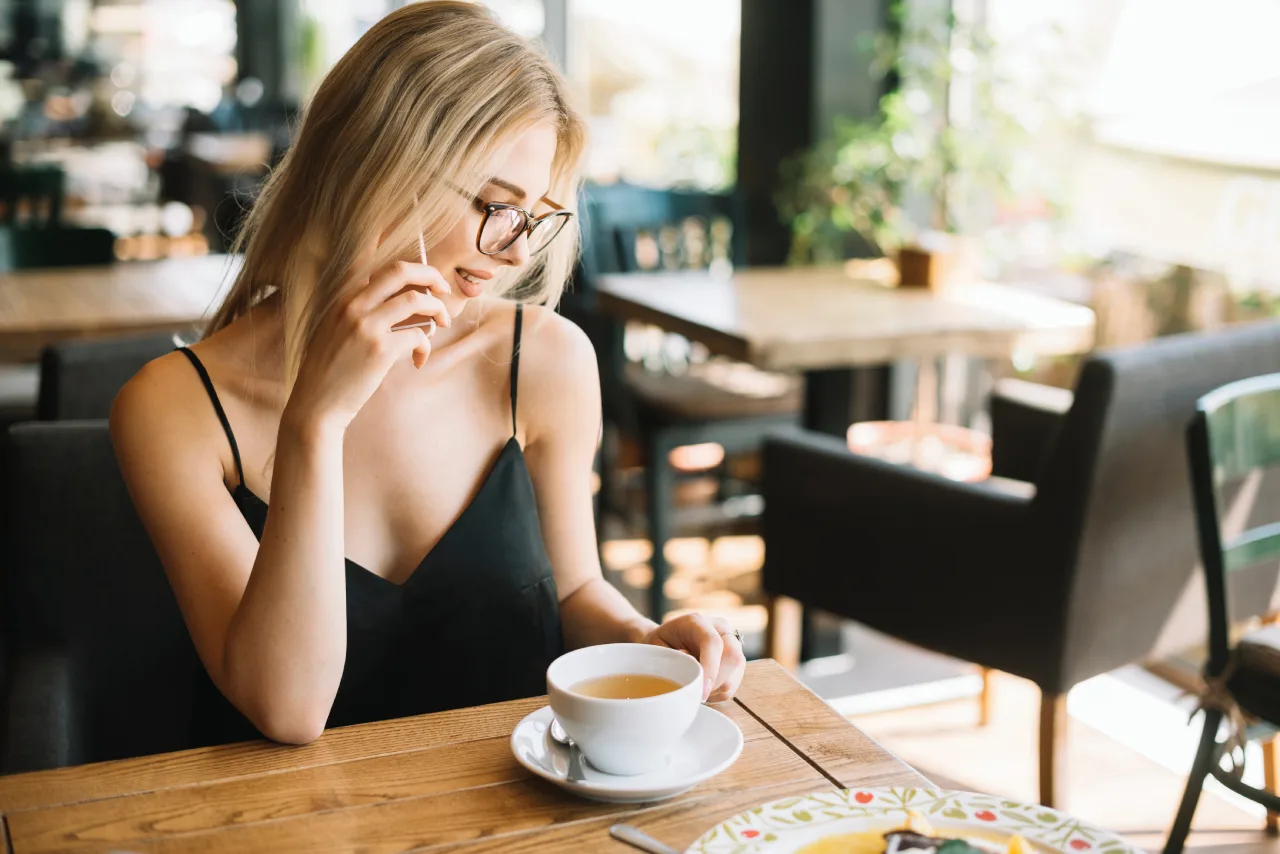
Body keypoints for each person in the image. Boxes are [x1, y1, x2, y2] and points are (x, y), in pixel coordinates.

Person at [109, 0, 745, 747]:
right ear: (379, 162)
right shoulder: (171, 408)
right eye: (497, 206)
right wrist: (315, 422)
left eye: (533, 218)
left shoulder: (542, 360)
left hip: (523, 812)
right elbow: (287, 708)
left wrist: (646, 637)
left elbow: (575, 591)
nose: (515, 253)